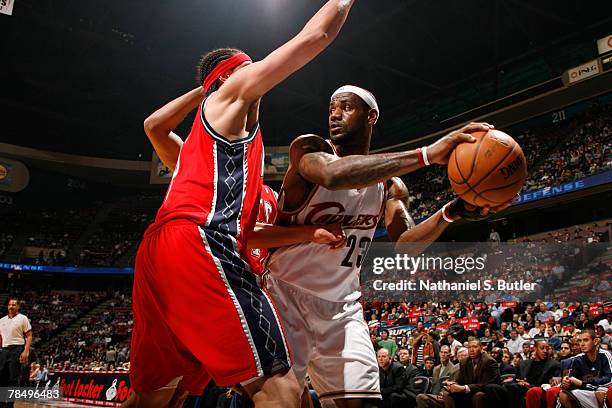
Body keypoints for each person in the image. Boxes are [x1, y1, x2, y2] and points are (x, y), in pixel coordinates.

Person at [125, 2, 357, 407]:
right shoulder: (229, 98)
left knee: (160, 397)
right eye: (248, 68)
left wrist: (306, 233)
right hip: (199, 242)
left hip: (159, 253)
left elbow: (152, 125)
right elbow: (314, 37)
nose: (257, 75)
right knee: (281, 390)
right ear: (231, 76)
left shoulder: (206, 156)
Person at [262, 82, 512, 408]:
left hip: (341, 309)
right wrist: (426, 154)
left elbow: (405, 244)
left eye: (346, 107)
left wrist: (451, 212)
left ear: (371, 116)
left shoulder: (390, 185)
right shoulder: (309, 150)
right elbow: (334, 176)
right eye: (331, 109)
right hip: (284, 297)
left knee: (365, 404)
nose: (335, 114)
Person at [557, 329, 611, 408]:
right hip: (587, 390)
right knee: (563, 395)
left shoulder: (605, 355)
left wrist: (583, 384)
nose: (582, 344)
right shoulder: (578, 359)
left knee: (600, 392)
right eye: (580, 341)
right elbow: (573, 379)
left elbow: (610, 380)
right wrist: (567, 382)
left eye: (585, 340)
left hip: (601, 391)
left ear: (595, 341)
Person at [443, 337, 501, 408]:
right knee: (447, 393)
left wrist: (464, 388)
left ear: (481, 348)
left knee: (478, 395)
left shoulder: (489, 361)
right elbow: (460, 380)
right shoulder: (464, 362)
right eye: (469, 347)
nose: (471, 350)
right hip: (469, 391)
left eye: (475, 347)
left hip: (487, 392)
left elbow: (486, 384)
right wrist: (453, 385)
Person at [0, 298, 32, 408]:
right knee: (2, 378)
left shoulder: (23, 318)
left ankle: (9, 404)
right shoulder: (2, 320)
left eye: (14, 305)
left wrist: (25, 351)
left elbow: (29, 336)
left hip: (17, 349)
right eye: (9, 304)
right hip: (4, 351)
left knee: (13, 379)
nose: (11, 306)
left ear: (18, 306)